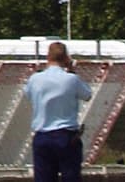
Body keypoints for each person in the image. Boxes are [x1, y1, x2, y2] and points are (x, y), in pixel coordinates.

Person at [22, 42, 92, 182]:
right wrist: (71, 70)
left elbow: (27, 95)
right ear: (66, 58)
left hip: (42, 136)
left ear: (48, 57)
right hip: (66, 136)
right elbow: (87, 95)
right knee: (71, 176)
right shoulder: (71, 79)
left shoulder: (35, 79)